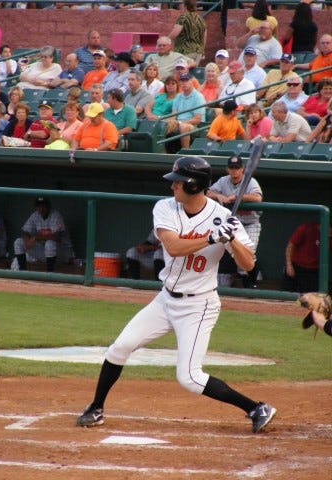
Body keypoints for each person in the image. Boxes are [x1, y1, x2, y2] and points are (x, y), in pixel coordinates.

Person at [75, 156, 277, 434]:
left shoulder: (223, 219)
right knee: (119, 348)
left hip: (198, 305)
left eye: (178, 183)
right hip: (165, 299)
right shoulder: (165, 208)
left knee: (190, 378)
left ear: (194, 186)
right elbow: (173, 247)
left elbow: (248, 265)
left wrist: (230, 238)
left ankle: (256, 408)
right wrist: (211, 238)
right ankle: (96, 407)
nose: (172, 187)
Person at [207, 155, 263, 288]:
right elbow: (207, 193)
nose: (234, 171)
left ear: (242, 169)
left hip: (250, 224)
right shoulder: (223, 181)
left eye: (237, 168)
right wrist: (219, 195)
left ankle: (251, 285)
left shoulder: (250, 181)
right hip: (233, 225)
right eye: (231, 168)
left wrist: (238, 197)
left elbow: (257, 198)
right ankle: (245, 283)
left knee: (248, 252)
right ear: (227, 169)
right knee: (234, 254)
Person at [13, 197, 74, 272]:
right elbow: (25, 232)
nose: (41, 209)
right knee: (18, 242)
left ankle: (50, 274)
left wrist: (35, 238)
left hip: (62, 253)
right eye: (39, 206)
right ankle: (23, 272)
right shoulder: (35, 215)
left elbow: (55, 237)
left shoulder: (56, 215)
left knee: (50, 243)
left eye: (43, 206)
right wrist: (27, 241)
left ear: (48, 206)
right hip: (46, 253)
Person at [281, 222, 332, 293]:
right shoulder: (306, 229)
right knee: (286, 294)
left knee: (310, 297)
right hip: (296, 266)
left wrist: (328, 237)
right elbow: (290, 246)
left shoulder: (329, 237)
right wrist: (289, 265)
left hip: (313, 270)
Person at [167, 73, 206, 150]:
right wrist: (169, 122)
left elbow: (197, 120)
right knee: (163, 124)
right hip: (178, 123)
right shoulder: (178, 97)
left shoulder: (198, 97)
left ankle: (186, 151)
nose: (184, 83)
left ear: (192, 82)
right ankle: (163, 152)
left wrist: (180, 123)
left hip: (195, 126)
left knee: (183, 127)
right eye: (182, 81)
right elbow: (173, 115)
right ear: (180, 83)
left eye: (186, 81)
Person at [168, 0, 207, 66]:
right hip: (198, 51)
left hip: (184, 50)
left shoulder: (183, 18)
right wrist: (202, 50)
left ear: (185, 6)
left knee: (182, 70)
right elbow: (204, 37)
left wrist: (165, 39)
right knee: (192, 72)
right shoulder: (201, 19)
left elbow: (175, 33)